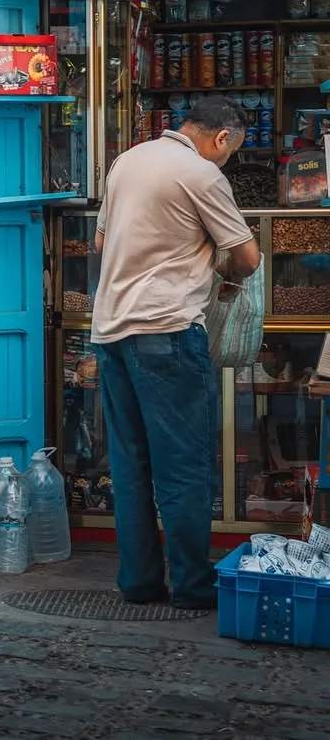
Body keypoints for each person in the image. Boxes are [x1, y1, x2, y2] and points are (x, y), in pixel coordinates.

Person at [92, 95, 260, 610]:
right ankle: (191, 585)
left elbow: (101, 245)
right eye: (231, 150)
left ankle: (139, 583)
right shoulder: (201, 173)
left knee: (131, 465)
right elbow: (248, 257)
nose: (227, 159)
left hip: (111, 335)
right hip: (166, 332)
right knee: (184, 467)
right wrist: (224, 277)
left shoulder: (128, 161)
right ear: (223, 137)